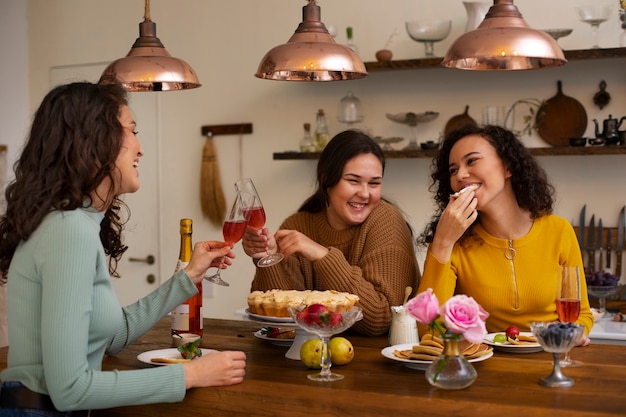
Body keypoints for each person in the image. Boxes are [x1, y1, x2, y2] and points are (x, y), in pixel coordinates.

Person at [0, 81, 246, 415]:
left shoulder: (75, 224)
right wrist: (189, 374)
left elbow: (113, 337)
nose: (140, 149)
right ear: (95, 141)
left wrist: (189, 276)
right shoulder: (67, 231)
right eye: (132, 130)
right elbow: (70, 390)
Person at [416, 124, 592, 345]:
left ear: (508, 167)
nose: (460, 175)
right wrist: (442, 240)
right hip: (485, 367)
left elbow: (582, 315)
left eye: (472, 161)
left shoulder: (559, 231)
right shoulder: (453, 243)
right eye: (453, 170)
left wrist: (573, 335)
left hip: (551, 357)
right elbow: (429, 330)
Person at [242, 130, 421, 336]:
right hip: (308, 357)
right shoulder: (298, 224)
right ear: (327, 181)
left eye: (374, 183)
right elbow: (281, 321)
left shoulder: (386, 221)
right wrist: (267, 258)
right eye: (353, 181)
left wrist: (323, 256)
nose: (364, 193)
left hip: (374, 359)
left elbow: (379, 319)